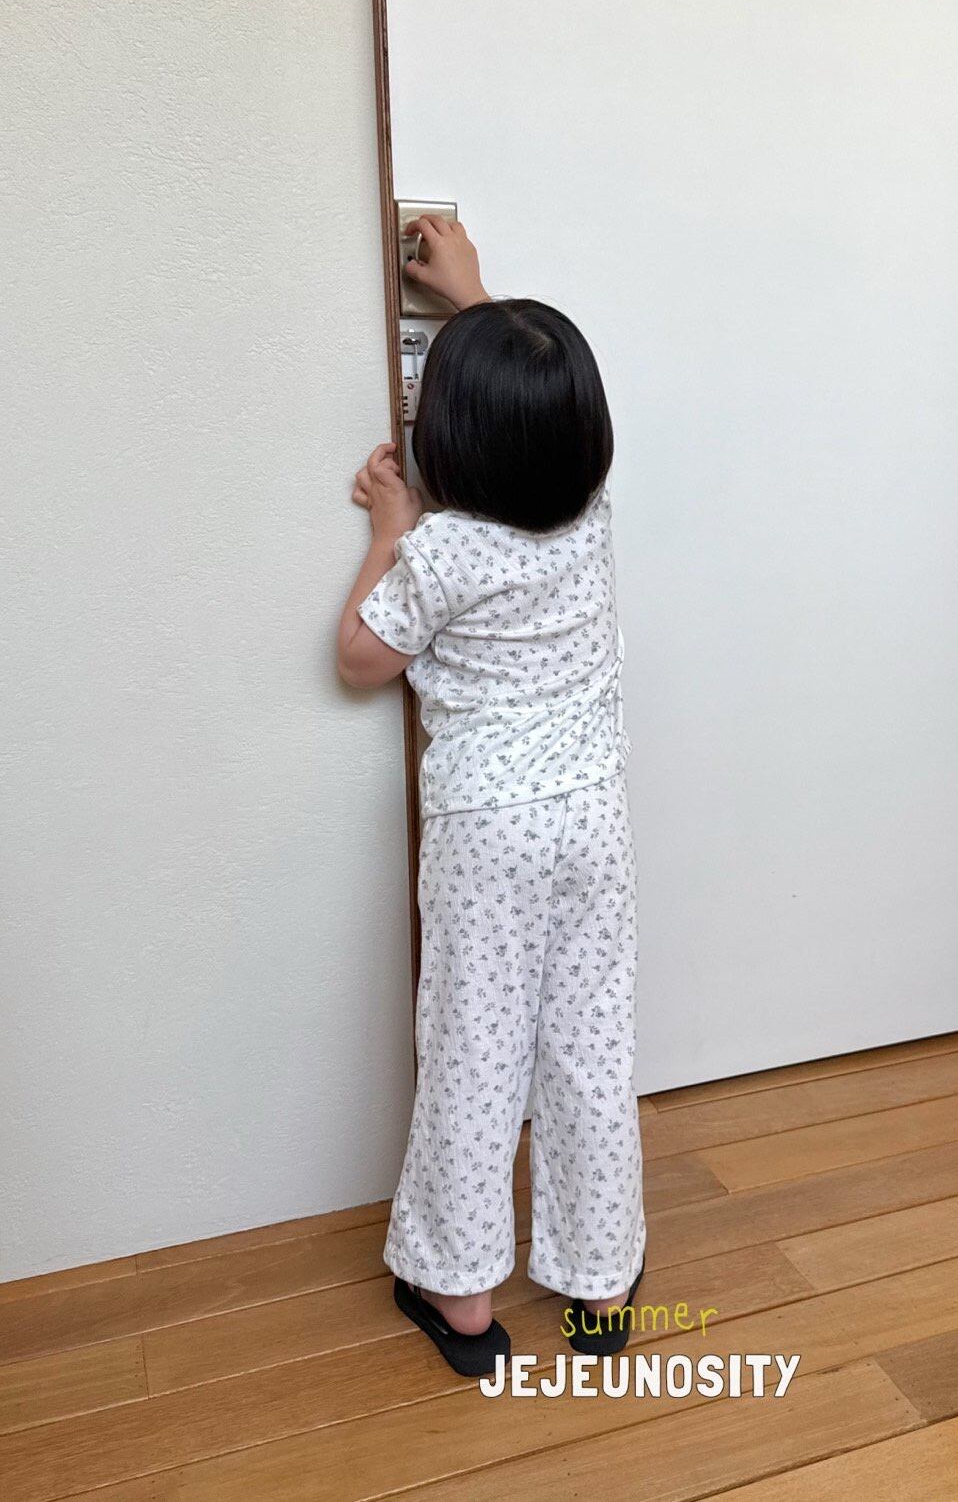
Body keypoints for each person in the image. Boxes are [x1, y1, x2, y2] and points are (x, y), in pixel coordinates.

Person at [336, 216, 645, 1376]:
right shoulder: (589, 519)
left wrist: (388, 532)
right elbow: (536, 419)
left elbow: (359, 661)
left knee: (474, 1050)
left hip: (487, 837)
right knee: (588, 1046)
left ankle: (461, 1294)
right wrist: (475, 296)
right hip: (591, 823)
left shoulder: (445, 553)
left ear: (448, 446)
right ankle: (601, 1281)